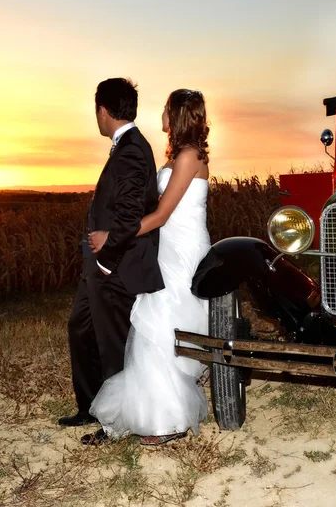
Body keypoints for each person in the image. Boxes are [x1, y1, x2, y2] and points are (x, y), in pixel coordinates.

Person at [88, 88, 211, 445]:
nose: (160, 114)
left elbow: (160, 215)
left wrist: (113, 237)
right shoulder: (178, 156)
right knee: (152, 324)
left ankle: (169, 419)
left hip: (183, 250)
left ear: (176, 116)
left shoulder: (189, 157)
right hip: (167, 248)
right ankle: (144, 411)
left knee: (160, 324)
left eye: (165, 109)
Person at [58, 78, 164, 446]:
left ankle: (115, 424)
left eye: (96, 112)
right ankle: (90, 405)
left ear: (103, 111)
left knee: (113, 344)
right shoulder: (126, 147)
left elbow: (131, 213)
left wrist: (107, 261)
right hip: (98, 263)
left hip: (115, 265)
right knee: (80, 328)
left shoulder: (133, 149)